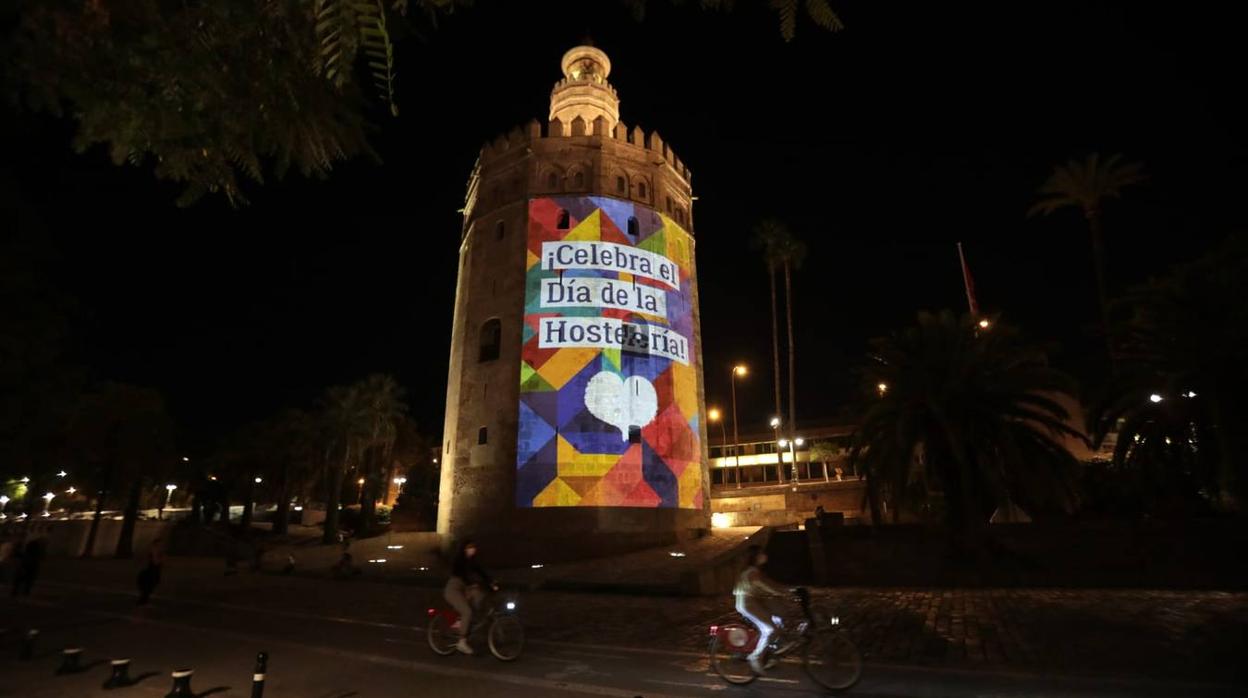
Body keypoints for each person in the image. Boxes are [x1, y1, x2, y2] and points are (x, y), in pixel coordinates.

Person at [734, 544, 789, 674]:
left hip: (753, 602)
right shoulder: (752, 572)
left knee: (777, 621)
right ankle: (755, 656)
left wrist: (784, 589)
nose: (764, 556)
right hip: (748, 603)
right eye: (761, 554)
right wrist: (779, 592)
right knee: (770, 629)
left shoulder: (753, 570)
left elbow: (768, 583)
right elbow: (763, 585)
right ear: (755, 557)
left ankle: (772, 651)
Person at [444, 539, 496, 655]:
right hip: (453, 590)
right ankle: (462, 642)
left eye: (474, 547)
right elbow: (461, 574)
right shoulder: (460, 561)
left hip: (463, 589)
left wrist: (491, 583)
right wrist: (470, 584)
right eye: (470, 547)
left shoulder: (472, 562)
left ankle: (461, 624)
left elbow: (481, 572)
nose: (473, 550)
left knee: (478, 598)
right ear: (464, 549)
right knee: (467, 612)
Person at [136, 537, 165, 605]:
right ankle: (143, 599)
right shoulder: (154, 550)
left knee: (151, 584)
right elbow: (155, 561)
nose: (161, 545)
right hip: (153, 569)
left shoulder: (157, 550)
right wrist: (160, 559)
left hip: (154, 569)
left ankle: (144, 599)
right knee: (149, 584)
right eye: (160, 544)